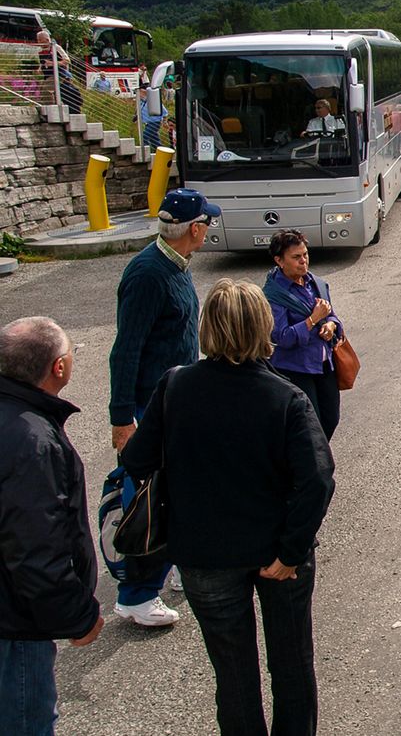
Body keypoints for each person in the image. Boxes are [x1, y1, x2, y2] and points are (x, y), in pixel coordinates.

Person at [121, 279, 335, 736]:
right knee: (292, 661)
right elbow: (316, 480)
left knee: (233, 673)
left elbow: (137, 460)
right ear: (263, 328)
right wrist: (292, 552)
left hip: (203, 554)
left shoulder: (175, 386)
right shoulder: (285, 397)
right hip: (277, 554)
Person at [108, 188, 220, 625]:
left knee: (174, 489)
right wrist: (123, 419)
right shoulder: (148, 275)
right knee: (149, 496)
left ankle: (168, 561)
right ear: (194, 229)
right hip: (149, 406)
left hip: (172, 400)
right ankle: (136, 593)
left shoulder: (174, 264)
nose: (209, 228)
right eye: (207, 222)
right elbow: (125, 350)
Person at [0, 317, 103, 735]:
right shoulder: (32, 441)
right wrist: (77, 616)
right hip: (15, 624)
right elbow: (35, 548)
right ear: (58, 368)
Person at [263, 230, 345, 441]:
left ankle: (316, 456)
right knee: (310, 423)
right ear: (279, 261)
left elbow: (332, 316)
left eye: (305, 255)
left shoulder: (315, 284)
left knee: (330, 418)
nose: (303, 261)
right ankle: (314, 463)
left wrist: (331, 326)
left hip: (323, 365)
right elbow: (281, 337)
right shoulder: (274, 296)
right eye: (296, 257)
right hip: (296, 369)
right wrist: (312, 320)